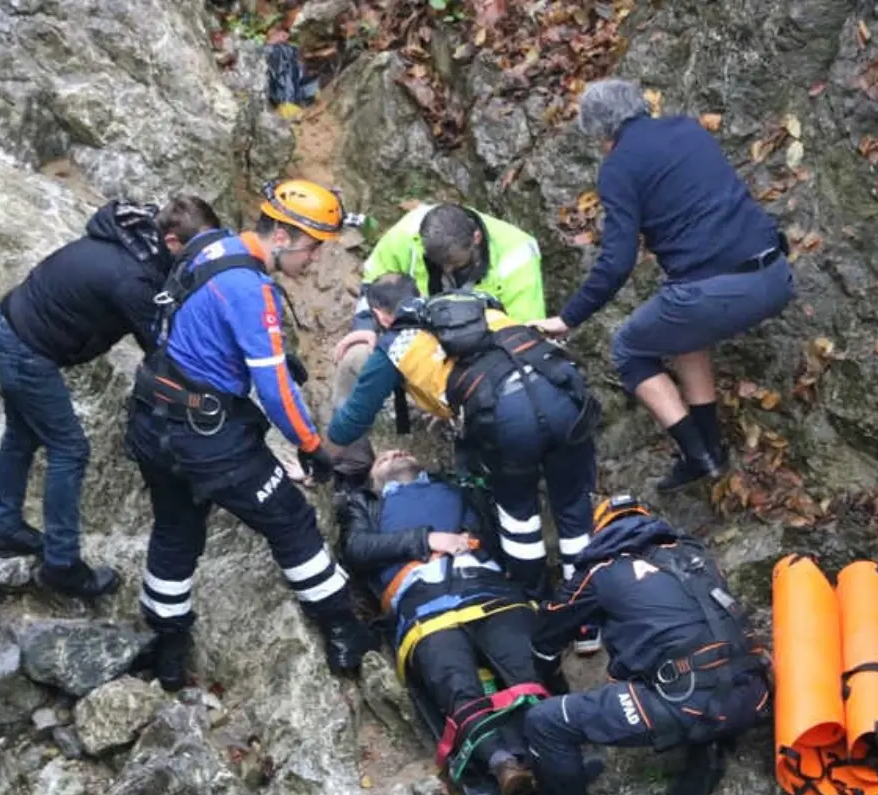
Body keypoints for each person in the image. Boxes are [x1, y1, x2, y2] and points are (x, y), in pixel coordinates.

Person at [124, 178, 373, 689]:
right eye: (311, 248)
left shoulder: (211, 247)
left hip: (152, 417)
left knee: (175, 528)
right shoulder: (248, 287)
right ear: (280, 236)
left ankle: (168, 645)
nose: (314, 261)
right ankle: (343, 628)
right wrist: (312, 447)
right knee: (290, 519)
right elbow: (276, 387)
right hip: (207, 436)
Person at [531, 78, 796, 493]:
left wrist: (569, 317)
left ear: (601, 133)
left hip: (717, 292)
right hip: (776, 272)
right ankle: (710, 446)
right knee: (683, 331)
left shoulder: (618, 168)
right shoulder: (688, 129)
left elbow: (616, 261)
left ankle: (697, 456)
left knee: (629, 349)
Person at [327, 274, 600, 623]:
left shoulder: (395, 345)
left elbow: (350, 422)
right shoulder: (472, 304)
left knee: (519, 518)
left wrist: (318, 452)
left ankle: (540, 605)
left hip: (509, 418)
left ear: (381, 316)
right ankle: (588, 618)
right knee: (574, 509)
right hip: (564, 393)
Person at [0, 195, 221, 598]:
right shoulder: (134, 280)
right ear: (173, 243)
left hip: (10, 326)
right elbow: (164, 352)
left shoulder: (135, 238)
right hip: (26, 349)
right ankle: (62, 564)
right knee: (69, 449)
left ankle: (5, 527)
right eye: (197, 251)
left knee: (22, 437)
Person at [524, 494, 771, 795]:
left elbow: (546, 637)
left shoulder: (601, 571)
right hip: (754, 692)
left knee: (544, 722)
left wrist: (551, 679)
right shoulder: (696, 555)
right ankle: (707, 754)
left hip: (689, 700)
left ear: (601, 530)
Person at [337, 449, 545, 795]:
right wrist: (427, 540)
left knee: (525, 670)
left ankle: (542, 755)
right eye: (383, 458)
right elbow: (357, 549)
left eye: (400, 450)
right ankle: (502, 764)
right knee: (455, 684)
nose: (395, 453)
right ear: (372, 479)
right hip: (425, 609)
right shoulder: (366, 505)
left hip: (491, 592)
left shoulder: (459, 487)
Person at [329, 203, 547, 487]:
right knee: (355, 358)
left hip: (483, 363)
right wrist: (366, 327)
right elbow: (373, 283)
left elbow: (524, 339)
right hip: (413, 343)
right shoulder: (408, 234)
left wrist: (458, 396)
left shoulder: (517, 255)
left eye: (455, 265)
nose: (446, 271)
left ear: (476, 240)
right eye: (438, 264)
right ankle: (351, 470)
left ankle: (485, 481)